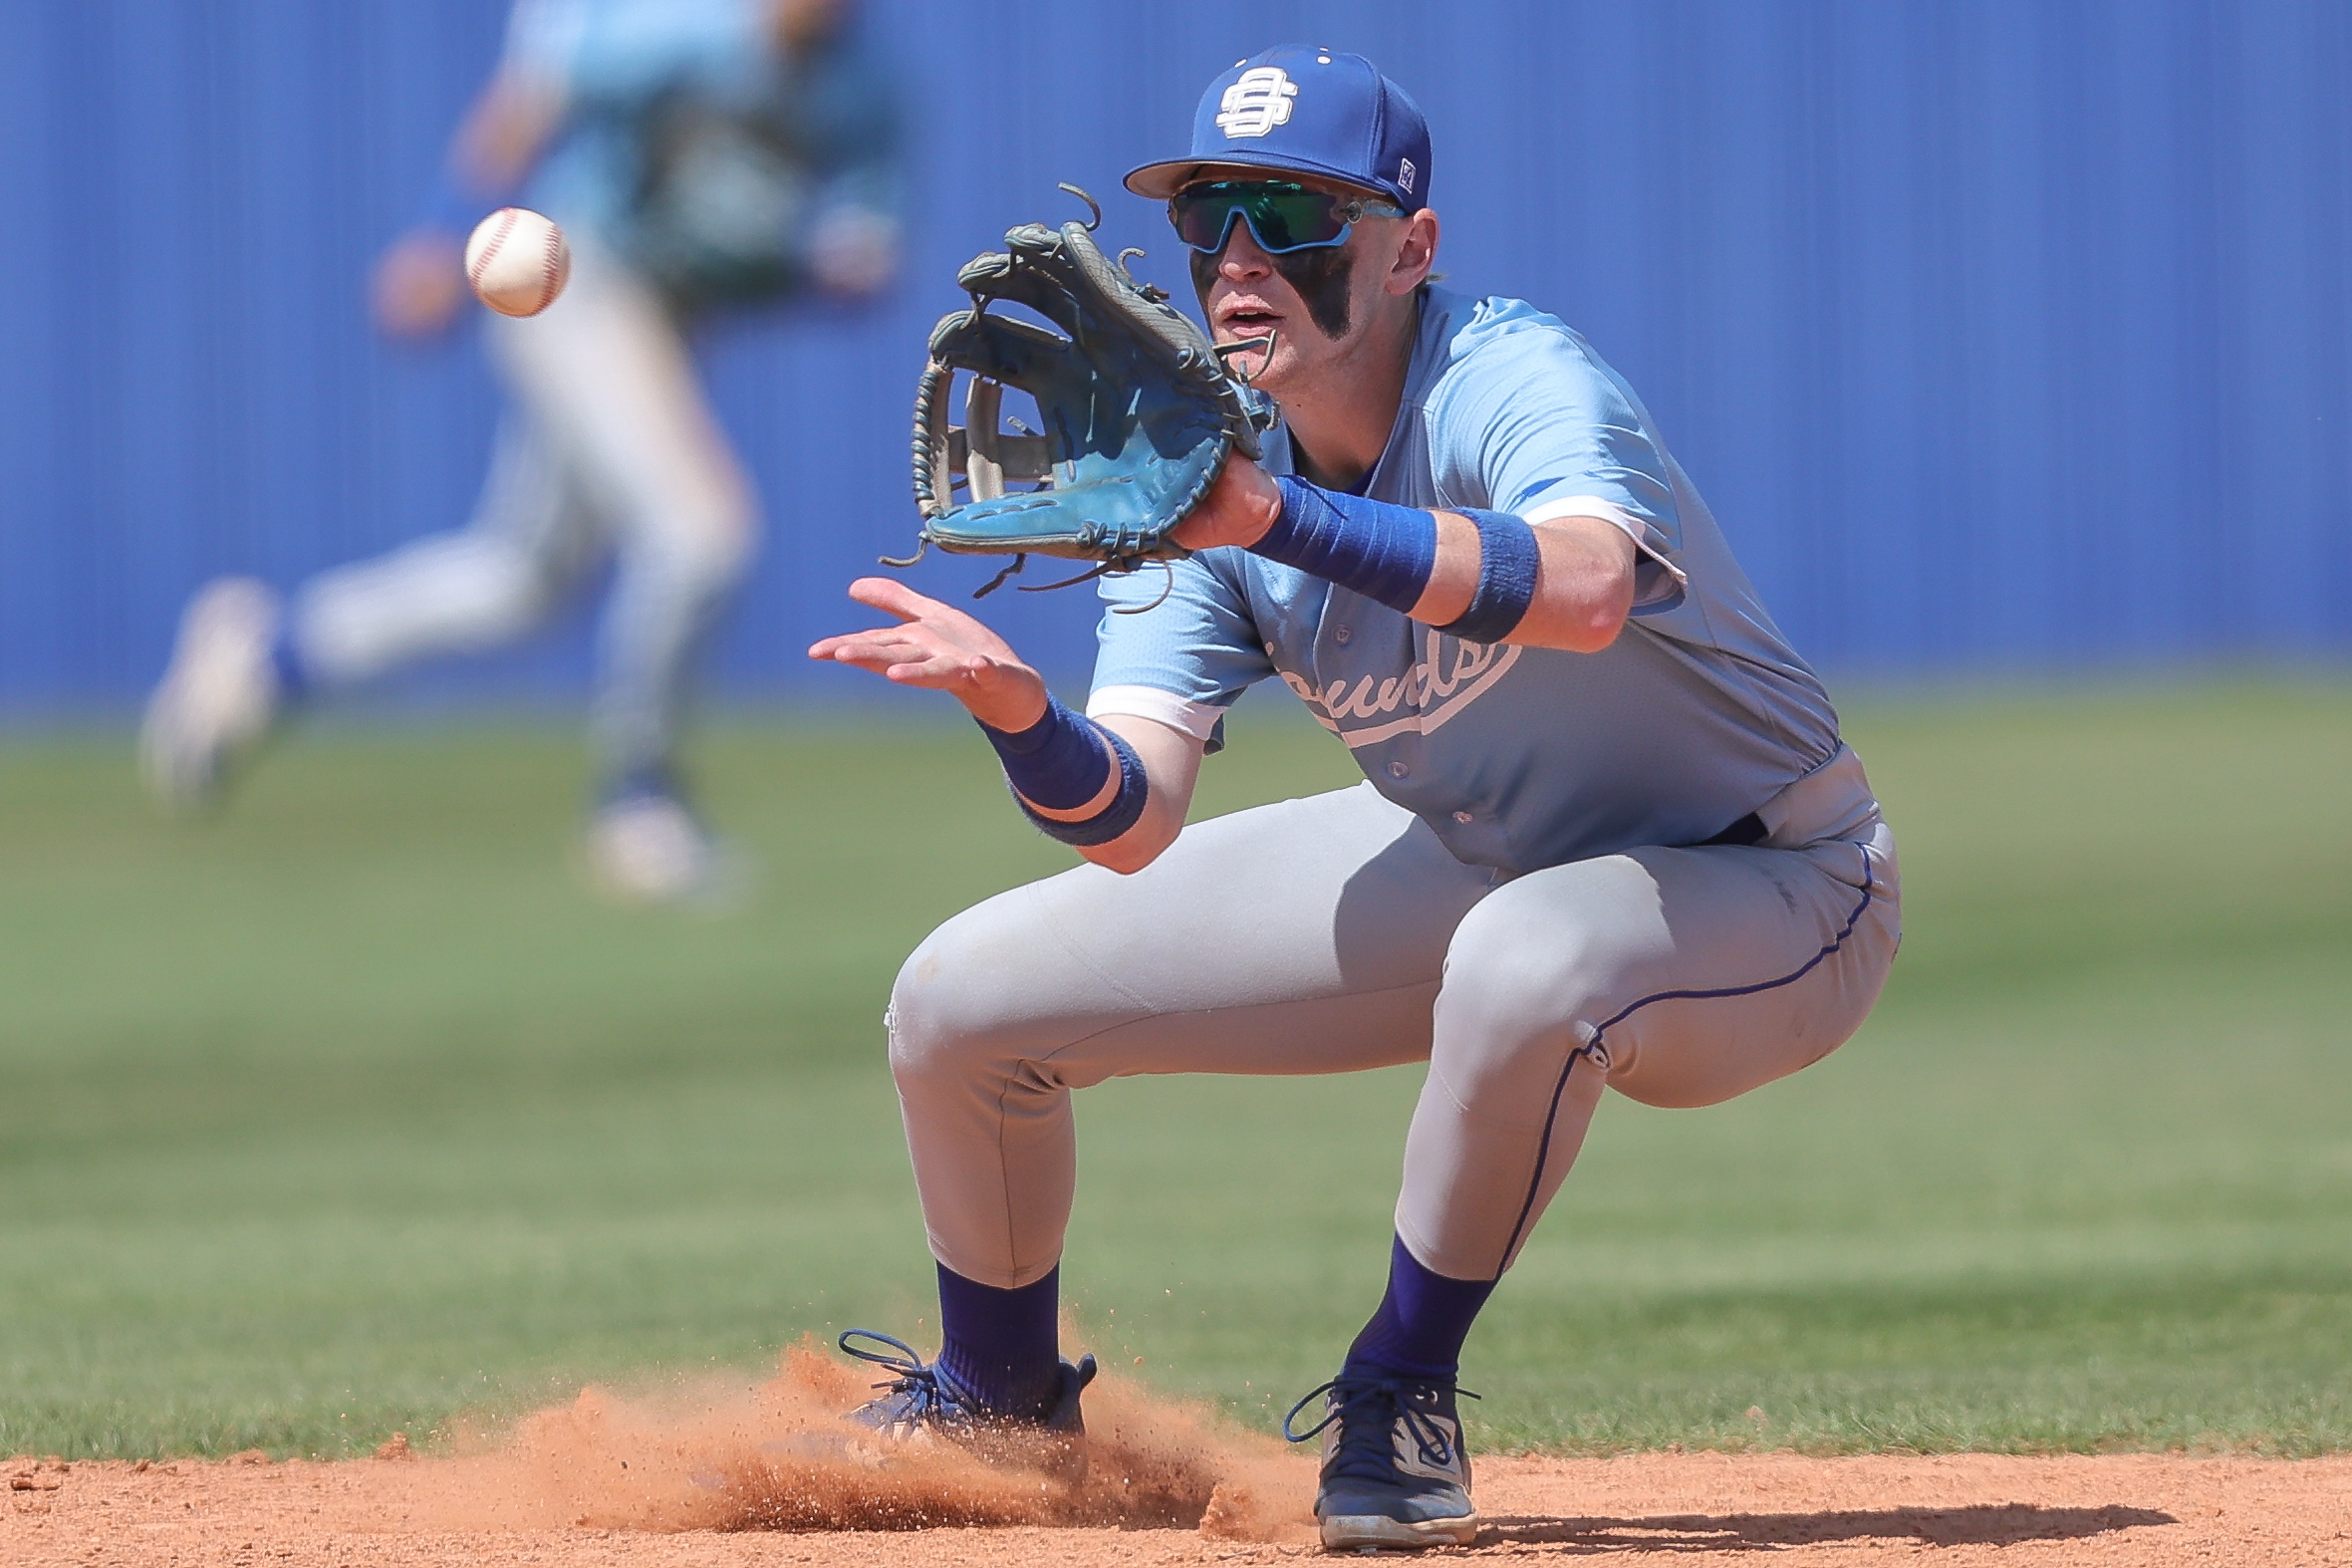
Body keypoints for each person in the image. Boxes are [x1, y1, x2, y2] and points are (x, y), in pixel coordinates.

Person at [809, 46, 1900, 1552]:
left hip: (1772, 884)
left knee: (1530, 955)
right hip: (1478, 857)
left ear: (1410, 247)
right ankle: (999, 1402)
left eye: (1291, 214)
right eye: (1210, 220)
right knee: (956, 1002)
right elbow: (1128, 817)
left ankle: (1401, 1390)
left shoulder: (1508, 374)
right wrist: (1018, 712)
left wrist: (1282, 520)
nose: (1239, 261)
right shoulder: (1208, 480)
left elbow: (1581, 590)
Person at [141, 0, 903, 903]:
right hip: (581, 289)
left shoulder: (862, 90)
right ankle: (637, 801)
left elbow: (859, 258)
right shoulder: (692, 31)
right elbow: (531, 100)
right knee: (703, 535)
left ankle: (274, 655)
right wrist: (439, 231)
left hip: (669, 321)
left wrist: (813, 268)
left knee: (517, 582)